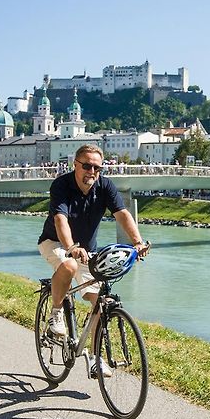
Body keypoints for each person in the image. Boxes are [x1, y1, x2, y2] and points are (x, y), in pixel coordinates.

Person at [38, 144, 149, 376]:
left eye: (97, 167)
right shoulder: (62, 185)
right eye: (86, 166)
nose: (92, 171)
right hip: (56, 243)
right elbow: (60, 220)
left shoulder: (104, 185)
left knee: (100, 301)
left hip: (87, 251)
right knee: (68, 265)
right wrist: (70, 247)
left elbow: (122, 214)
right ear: (75, 165)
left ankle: (96, 358)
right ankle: (56, 313)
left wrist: (137, 242)